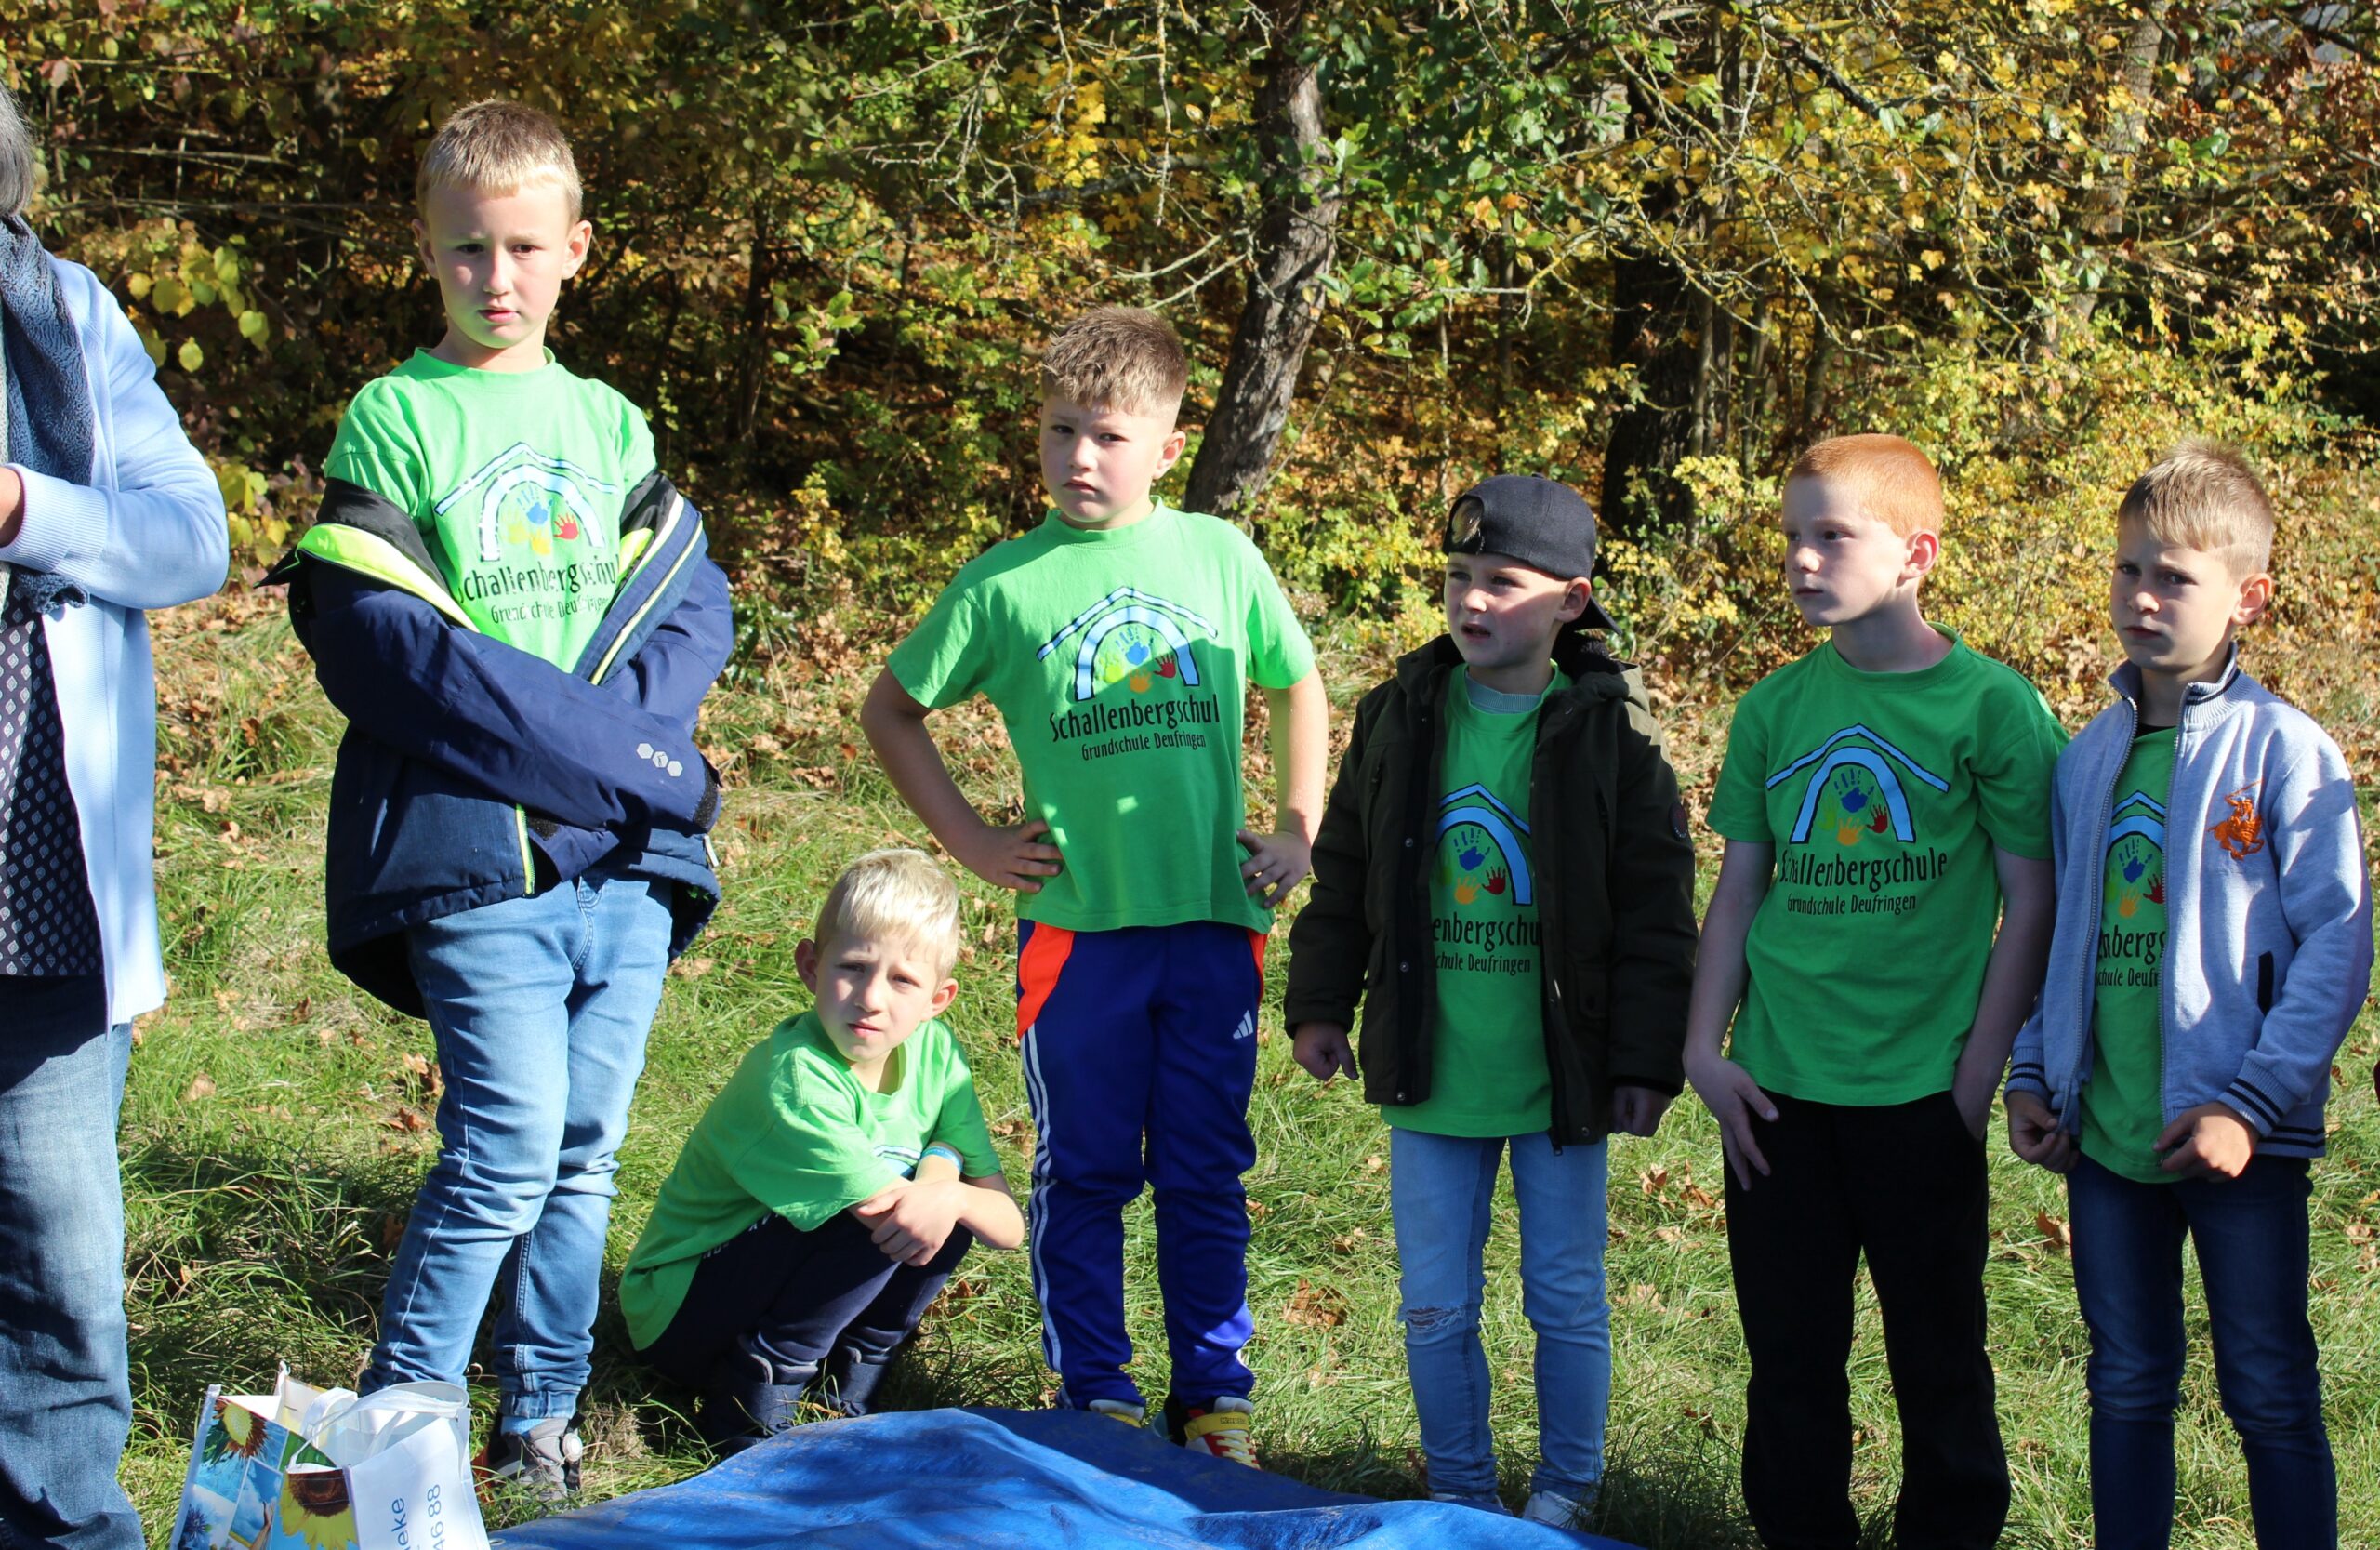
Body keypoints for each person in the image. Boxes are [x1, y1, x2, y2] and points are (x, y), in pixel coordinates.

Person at [271, 100, 731, 1495]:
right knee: (505, 1149)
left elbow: (685, 618)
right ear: (428, 248)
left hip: (625, 879)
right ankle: (402, 1417)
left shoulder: (609, 421)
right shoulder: (396, 415)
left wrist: (620, 769)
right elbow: (407, 659)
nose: (498, 276)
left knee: (584, 1157)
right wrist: (626, 768)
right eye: (467, 248)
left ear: (578, 248)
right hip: (482, 867)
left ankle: (539, 1417)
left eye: (526, 246)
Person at [861, 304, 1327, 1464]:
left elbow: (1298, 682)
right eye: (1061, 430)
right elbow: (892, 708)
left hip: (1216, 929)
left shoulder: (1219, 556)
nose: (1080, 457)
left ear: (1168, 446)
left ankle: (1215, 1395)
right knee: (1087, 1168)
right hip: (1079, 938)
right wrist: (971, 841)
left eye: (1110, 436)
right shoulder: (1005, 584)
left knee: (1206, 1166)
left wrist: (1295, 827)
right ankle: (1100, 1391)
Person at [1283, 476, 1696, 1526]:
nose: (1472, 602)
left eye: (1502, 582)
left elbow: (1657, 906)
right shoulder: (1400, 713)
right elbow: (1346, 869)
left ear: (1570, 599)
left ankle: (1566, 1494)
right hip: (1432, 1064)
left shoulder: (1613, 734)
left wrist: (1646, 1059)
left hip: (1562, 1071)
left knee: (1563, 1296)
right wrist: (1320, 1001)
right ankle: (1460, 1493)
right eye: (1458, 577)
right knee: (1433, 1304)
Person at [1685, 434, 2066, 1550]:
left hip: (1919, 1094)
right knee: (1790, 1358)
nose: (1801, 558)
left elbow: (2028, 901)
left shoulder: (1992, 708)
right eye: (1792, 536)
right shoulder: (1770, 710)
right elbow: (1740, 891)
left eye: (1831, 535)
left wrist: (1973, 1075)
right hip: (1776, 1098)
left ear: (1916, 553)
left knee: (1937, 1355)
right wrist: (1707, 1053)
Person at [2004, 444, 2372, 1549]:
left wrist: (2248, 1104)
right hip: (2105, 1142)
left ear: (2246, 595)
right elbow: (2062, 939)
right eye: (2126, 571)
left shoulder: (2287, 751)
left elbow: (2338, 947)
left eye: (2171, 575)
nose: (2140, 597)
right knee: (2123, 1383)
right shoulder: (2085, 758)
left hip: (2237, 1144)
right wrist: (2032, 1069)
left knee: (2265, 1387)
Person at [0, 82, 230, 1550]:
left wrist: (27, 507)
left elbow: (189, 535)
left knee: (63, 1273)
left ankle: (71, 1531)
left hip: (45, 900)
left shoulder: (65, 317)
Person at [621, 848, 1024, 1448]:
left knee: (944, 1208)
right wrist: (946, 1176)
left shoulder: (937, 1056)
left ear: (938, 999)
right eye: (854, 967)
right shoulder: (795, 1077)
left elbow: (1008, 1225)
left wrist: (946, 1180)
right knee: (901, 1212)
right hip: (680, 1313)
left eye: (903, 980)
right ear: (811, 966)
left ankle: (854, 1368)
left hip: (784, 1281)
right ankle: (756, 1387)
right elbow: (894, 1214)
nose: (871, 998)